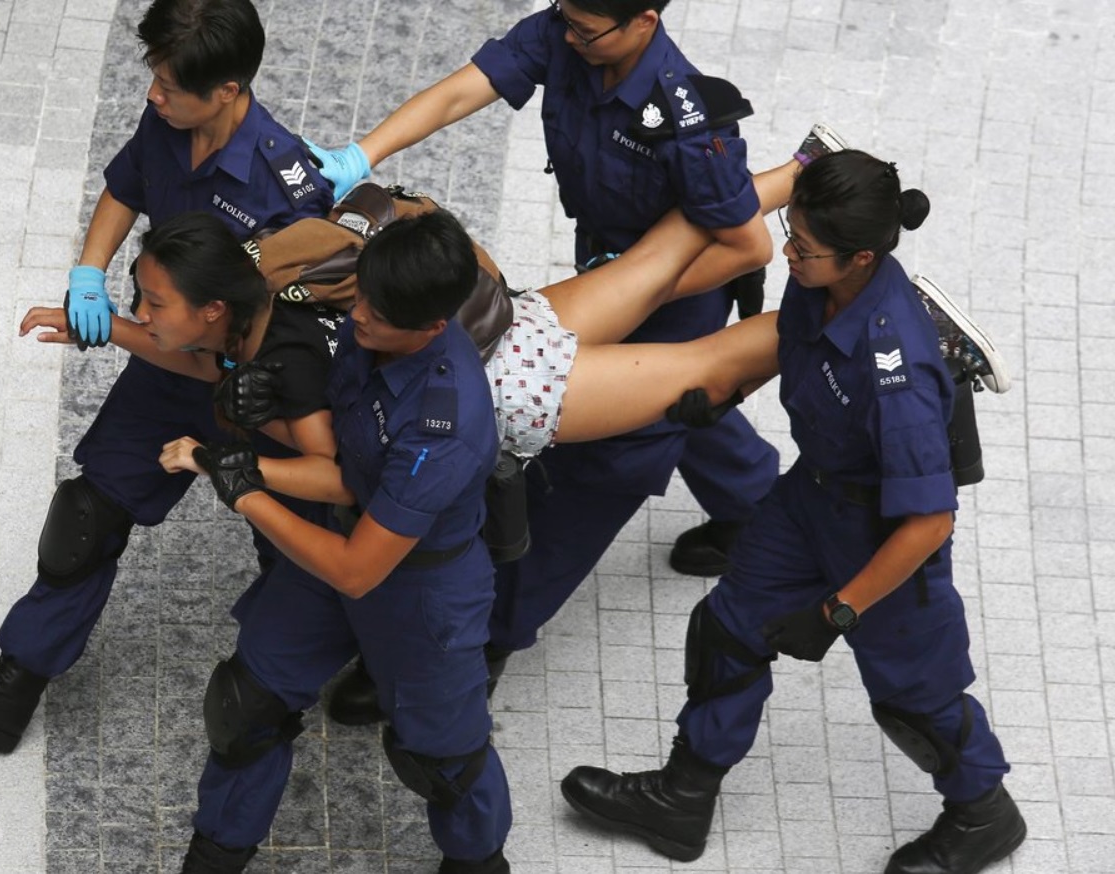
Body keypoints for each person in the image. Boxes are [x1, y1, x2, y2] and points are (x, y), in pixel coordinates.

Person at [308, 0, 849, 721]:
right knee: (669, 410)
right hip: (610, 258)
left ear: (644, 22)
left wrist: (633, 280)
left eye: (585, 29)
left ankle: (488, 637)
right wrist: (364, 154)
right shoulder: (570, 31)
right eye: (564, 18)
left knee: (602, 466)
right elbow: (463, 89)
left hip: (677, 296)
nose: (565, 37)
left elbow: (741, 245)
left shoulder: (685, 119)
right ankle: (748, 502)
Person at [558, 150, 1026, 874]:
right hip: (810, 500)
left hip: (884, 542)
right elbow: (794, 342)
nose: (788, 250)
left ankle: (983, 814)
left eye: (803, 246)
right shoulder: (821, 282)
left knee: (914, 700)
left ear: (862, 257)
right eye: (790, 231)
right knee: (727, 629)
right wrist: (725, 392)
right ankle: (683, 798)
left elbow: (929, 522)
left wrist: (839, 610)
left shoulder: (896, 372)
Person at [0, 0, 333, 754]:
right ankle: (12, 686)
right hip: (167, 362)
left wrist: (120, 332)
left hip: (259, 391)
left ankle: (324, 678)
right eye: (153, 77)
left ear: (227, 89)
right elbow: (129, 187)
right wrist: (89, 273)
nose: (154, 94)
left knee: (290, 541)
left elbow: (241, 353)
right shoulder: (168, 117)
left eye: (171, 85)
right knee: (87, 515)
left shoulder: (285, 194)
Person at [150, 210, 512, 873]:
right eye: (364, 297)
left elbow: (357, 571)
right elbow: (350, 469)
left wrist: (245, 488)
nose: (360, 317)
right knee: (247, 706)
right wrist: (269, 423)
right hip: (333, 540)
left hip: (418, 594)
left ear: (433, 326)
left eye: (380, 314)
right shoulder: (370, 317)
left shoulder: (445, 422)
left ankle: (478, 865)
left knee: (443, 763)